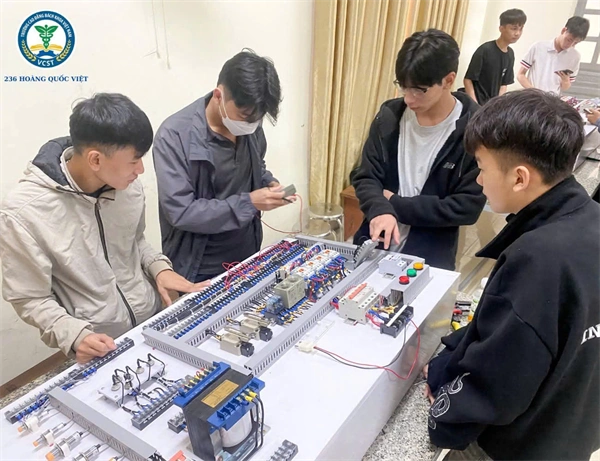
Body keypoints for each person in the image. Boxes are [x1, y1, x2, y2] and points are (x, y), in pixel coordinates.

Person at [425, 89, 600, 461]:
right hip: (576, 430)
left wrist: (443, 407)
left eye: (482, 168)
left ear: (519, 178)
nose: (478, 181)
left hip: (520, 446)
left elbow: (497, 383)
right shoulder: (592, 218)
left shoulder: (537, 258)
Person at [0, 94, 208, 363]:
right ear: (95, 160)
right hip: (101, 346)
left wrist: (160, 269)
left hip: (153, 323)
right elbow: (30, 298)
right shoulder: (23, 214)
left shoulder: (127, 187)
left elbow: (136, 242)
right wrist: (74, 335)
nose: (141, 170)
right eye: (134, 160)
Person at [351, 29, 486, 270]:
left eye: (419, 90)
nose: (408, 99)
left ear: (448, 80)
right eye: (403, 87)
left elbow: (467, 207)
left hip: (429, 260)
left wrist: (396, 204)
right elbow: (366, 176)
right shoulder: (389, 116)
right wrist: (380, 209)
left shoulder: (475, 130)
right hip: (373, 249)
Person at [153, 50, 291, 283]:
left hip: (247, 252)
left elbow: (256, 165)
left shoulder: (250, 124)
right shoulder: (174, 136)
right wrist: (249, 202)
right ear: (219, 95)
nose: (251, 125)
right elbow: (181, 211)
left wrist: (268, 183)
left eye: (257, 119)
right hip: (199, 266)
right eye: (245, 116)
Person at [464, 9, 527, 105]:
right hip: (476, 103)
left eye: (520, 29)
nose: (517, 33)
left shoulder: (510, 54)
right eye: (514, 28)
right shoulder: (485, 49)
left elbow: (503, 84)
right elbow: (468, 80)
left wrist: (497, 104)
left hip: (491, 105)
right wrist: (475, 105)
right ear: (501, 28)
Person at [517, 16, 590, 94]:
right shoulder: (539, 47)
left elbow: (565, 87)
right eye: (569, 40)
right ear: (563, 30)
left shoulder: (575, 56)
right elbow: (520, 75)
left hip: (552, 99)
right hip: (532, 96)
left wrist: (565, 80)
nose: (570, 45)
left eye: (575, 43)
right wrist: (534, 91)